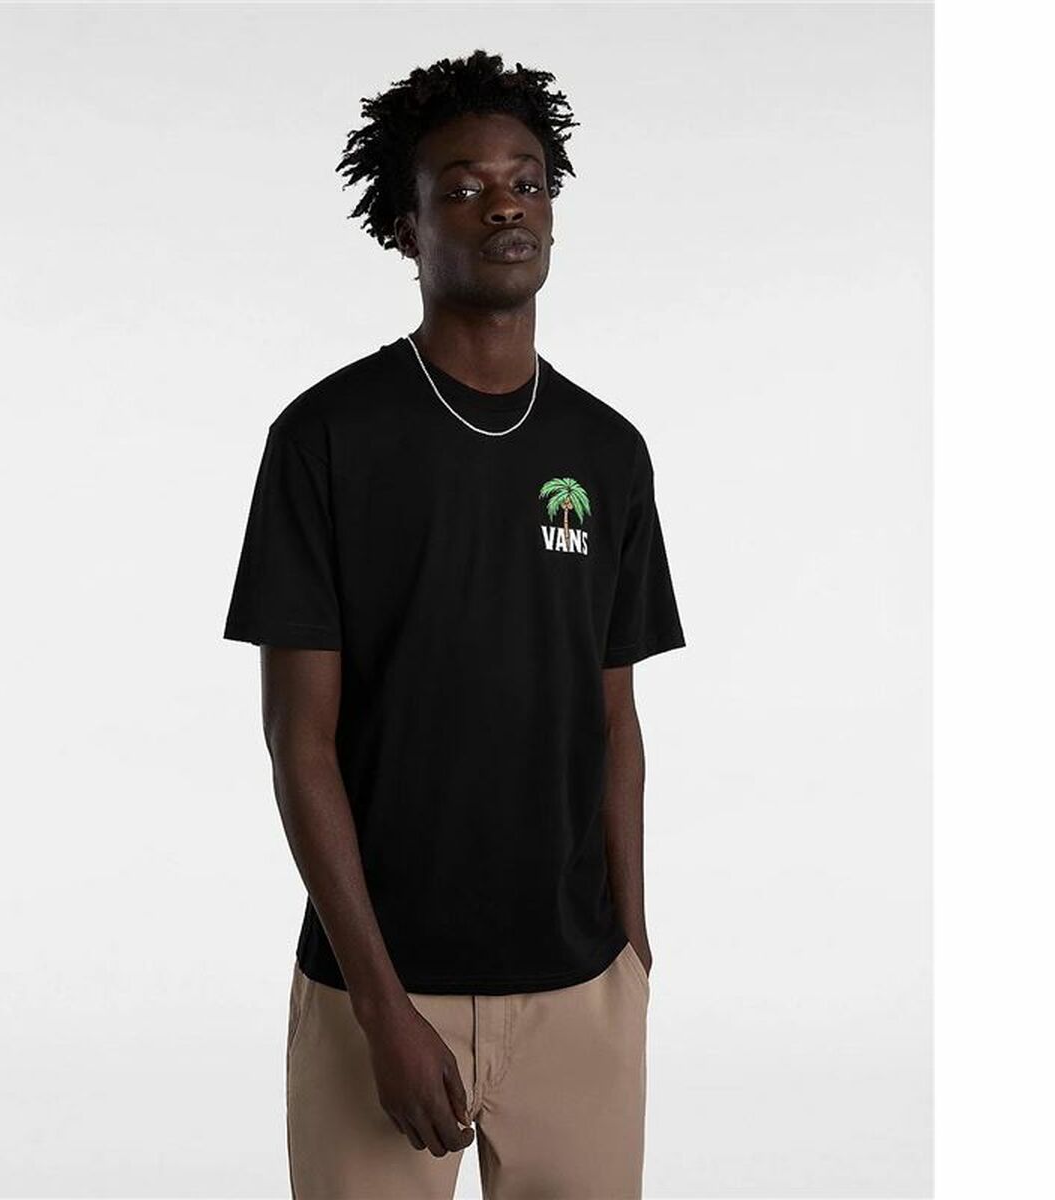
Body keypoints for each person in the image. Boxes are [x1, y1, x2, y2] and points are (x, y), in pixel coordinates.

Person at [223, 48, 686, 1200]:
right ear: (406, 225)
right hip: (377, 992)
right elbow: (299, 743)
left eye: (527, 183)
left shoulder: (607, 452)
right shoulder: (325, 439)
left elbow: (615, 722)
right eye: (465, 188)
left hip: (578, 993)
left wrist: (631, 953)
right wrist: (382, 1009)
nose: (505, 208)